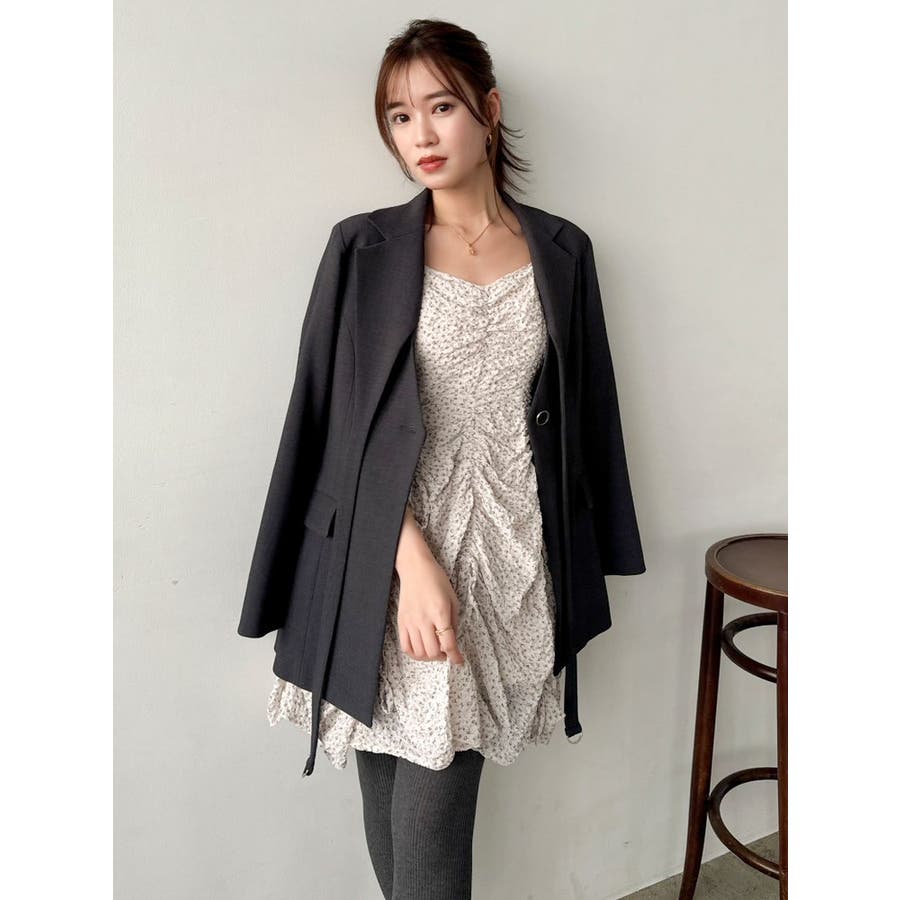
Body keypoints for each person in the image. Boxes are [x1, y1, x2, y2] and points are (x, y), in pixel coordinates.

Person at [241, 18, 645, 900]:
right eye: (399, 116)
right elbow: (332, 422)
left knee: (423, 819)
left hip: (506, 557)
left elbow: (591, 411)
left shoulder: (562, 251)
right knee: (395, 797)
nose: (420, 134)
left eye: (441, 107)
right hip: (384, 557)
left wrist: (595, 555)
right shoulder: (364, 249)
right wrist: (411, 559)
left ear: (488, 110)